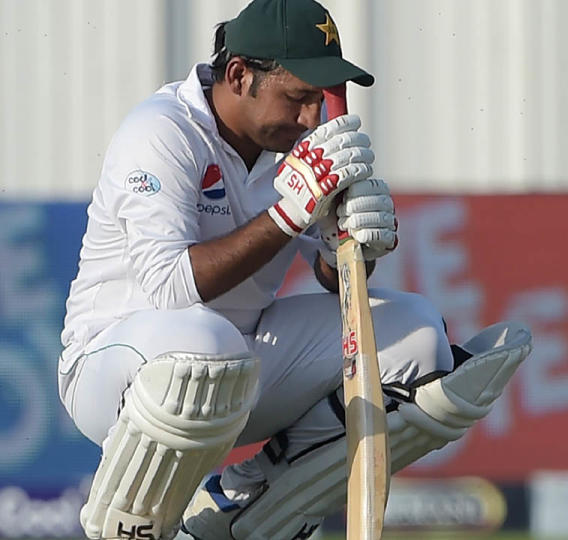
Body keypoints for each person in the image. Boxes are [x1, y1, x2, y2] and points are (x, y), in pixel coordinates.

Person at [57, 1, 532, 538]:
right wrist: (288, 213)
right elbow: (171, 288)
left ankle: (242, 503)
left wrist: (348, 245)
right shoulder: (162, 131)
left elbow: (337, 285)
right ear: (240, 75)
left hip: (239, 364)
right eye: (298, 97)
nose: (311, 117)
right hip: (114, 372)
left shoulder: (291, 143)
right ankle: (130, 524)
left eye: (317, 99)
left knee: (417, 340)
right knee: (205, 346)